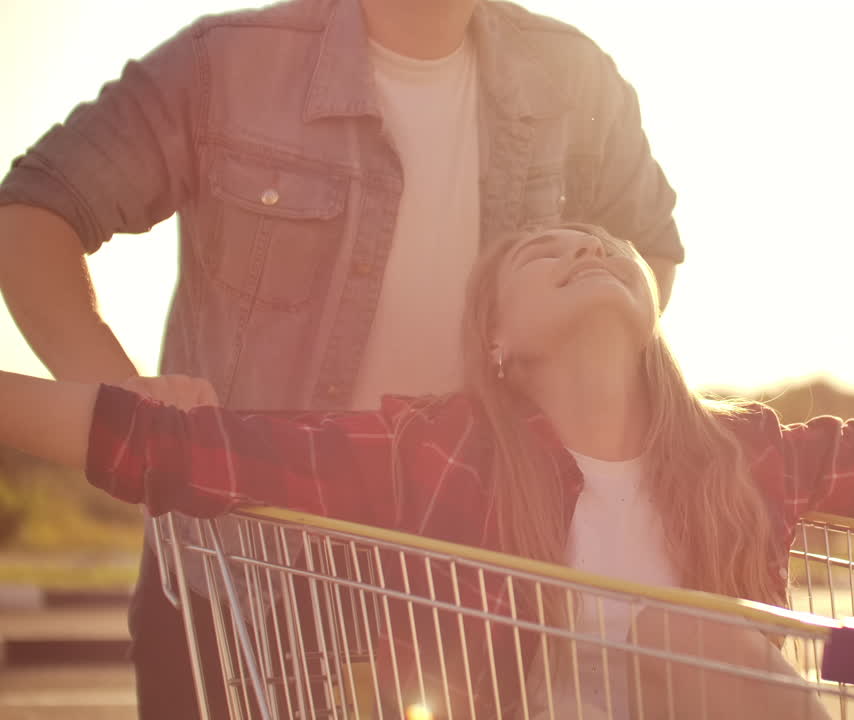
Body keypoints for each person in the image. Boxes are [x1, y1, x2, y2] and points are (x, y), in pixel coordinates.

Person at [0, 224, 854, 718]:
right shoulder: (440, 452)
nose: (585, 247)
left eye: (601, 243)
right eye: (541, 251)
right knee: (685, 622)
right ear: (499, 344)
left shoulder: (736, 454)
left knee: (684, 629)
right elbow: (173, 448)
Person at [0, 0, 680, 715]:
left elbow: (650, 249)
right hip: (240, 578)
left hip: (481, 591)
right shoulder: (225, 66)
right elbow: (32, 214)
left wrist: (582, 391)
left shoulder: (574, 78)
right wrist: (132, 407)